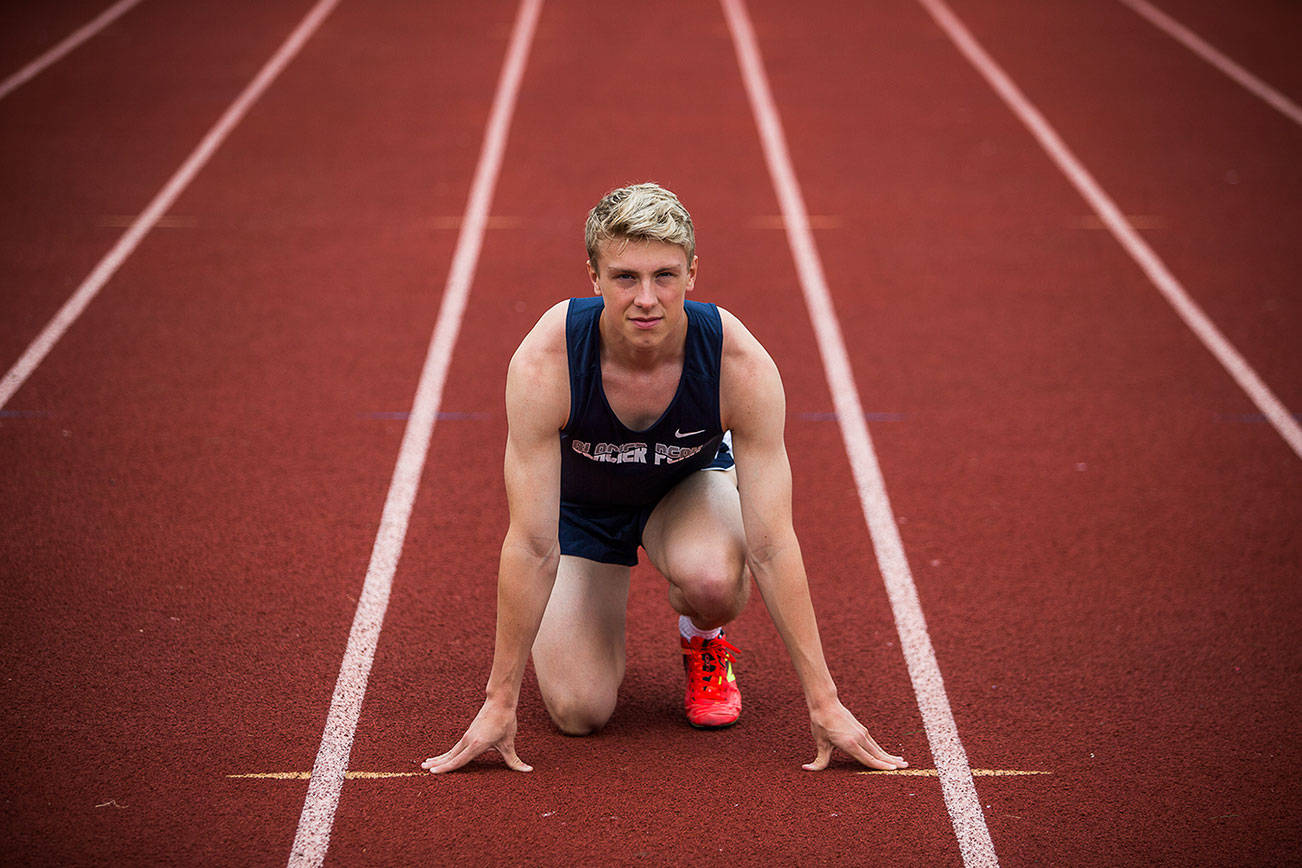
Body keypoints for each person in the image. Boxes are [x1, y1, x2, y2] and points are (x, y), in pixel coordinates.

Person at [423, 183, 906, 773]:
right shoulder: (546, 363)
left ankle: (704, 637)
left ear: (693, 274)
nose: (646, 298)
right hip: (584, 511)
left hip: (686, 490)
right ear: (594, 277)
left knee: (711, 582)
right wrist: (499, 701)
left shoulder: (738, 365)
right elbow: (530, 541)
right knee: (579, 711)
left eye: (665, 276)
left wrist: (824, 701)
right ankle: (596, 617)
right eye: (625, 277)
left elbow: (773, 543)